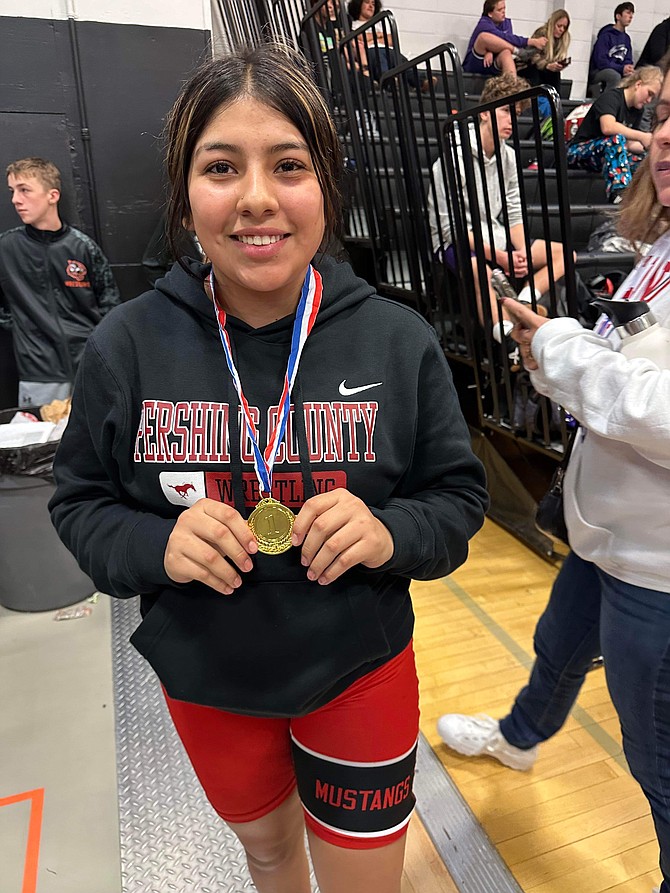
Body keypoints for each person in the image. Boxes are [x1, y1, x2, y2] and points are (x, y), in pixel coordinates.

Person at [48, 44, 488, 893]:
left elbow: (459, 500)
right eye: (221, 166)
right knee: (269, 856)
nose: (256, 198)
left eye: (288, 164)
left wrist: (390, 531)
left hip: (359, 671)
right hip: (208, 677)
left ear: (325, 184)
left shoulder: (398, 340)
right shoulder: (128, 345)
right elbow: (80, 505)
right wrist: (155, 546)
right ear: (184, 193)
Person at [437, 55, 670, 893]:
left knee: (657, 760)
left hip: (661, 570)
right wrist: (553, 347)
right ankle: (521, 736)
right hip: (609, 533)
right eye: (668, 115)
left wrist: (564, 349)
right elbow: (617, 366)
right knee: (557, 647)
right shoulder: (660, 247)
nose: (668, 137)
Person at [428, 73, 564, 344]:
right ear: (484, 114)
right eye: (505, 111)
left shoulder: (509, 156)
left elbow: (513, 210)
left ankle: (524, 302)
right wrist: (501, 257)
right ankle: (505, 339)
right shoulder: (454, 156)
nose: (512, 120)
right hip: (453, 240)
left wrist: (521, 252)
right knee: (484, 272)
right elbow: (450, 228)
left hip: (494, 233)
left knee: (563, 253)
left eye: (517, 113)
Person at [0, 157, 120, 407]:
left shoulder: (82, 247)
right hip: (39, 374)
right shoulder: (6, 249)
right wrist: (27, 331)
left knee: (97, 442)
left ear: (52, 195)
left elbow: (110, 306)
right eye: (12, 191)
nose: (15, 200)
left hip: (90, 367)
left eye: (24, 190)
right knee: (44, 445)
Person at [567, 65, 662, 204]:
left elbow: (629, 144)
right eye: (649, 94)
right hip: (578, 152)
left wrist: (651, 146)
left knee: (644, 159)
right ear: (638, 84)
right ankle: (621, 193)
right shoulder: (611, 97)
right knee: (615, 139)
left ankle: (646, 198)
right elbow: (608, 127)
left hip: (606, 155)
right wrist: (642, 136)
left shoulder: (637, 110)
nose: (649, 100)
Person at [347, 0, 435, 91]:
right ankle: (388, 80)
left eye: (373, 4)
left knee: (402, 62)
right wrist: (380, 35)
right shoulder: (354, 24)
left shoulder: (380, 23)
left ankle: (422, 82)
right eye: (367, 2)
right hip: (370, 51)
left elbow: (391, 40)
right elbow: (360, 38)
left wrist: (371, 38)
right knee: (380, 59)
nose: (370, 6)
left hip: (388, 50)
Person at [463, 0, 548, 79]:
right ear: (490, 14)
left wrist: (490, 51)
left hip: (494, 60)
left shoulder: (506, 23)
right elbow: (503, 37)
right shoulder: (484, 23)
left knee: (506, 52)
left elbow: (506, 43)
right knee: (484, 37)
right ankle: (519, 52)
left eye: (504, 8)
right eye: (499, 10)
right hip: (476, 61)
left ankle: (512, 89)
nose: (503, 12)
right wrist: (532, 41)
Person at [588, 2, 636, 97]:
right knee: (614, 76)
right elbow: (601, 62)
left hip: (618, 70)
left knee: (635, 78)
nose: (630, 16)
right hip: (599, 71)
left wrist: (628, 68)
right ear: (618, 16)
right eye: (627, 13)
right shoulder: (606, 36)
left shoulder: (626, 38)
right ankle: (608, 104)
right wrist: (621, 68)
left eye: (632, 14)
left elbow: (628, 59)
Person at [521, 9, 571, 93]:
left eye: (564, 27)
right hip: (529, 66)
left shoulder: (563, 39)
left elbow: (555, 58)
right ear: (553, 24)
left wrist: (558, 65)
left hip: (546, 69)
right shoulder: (542, 33)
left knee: (555, 74)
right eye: (559, 26)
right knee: (536, 72)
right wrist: (546, 65)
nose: (561, 30)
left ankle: (554, 100)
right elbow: (532, 56)